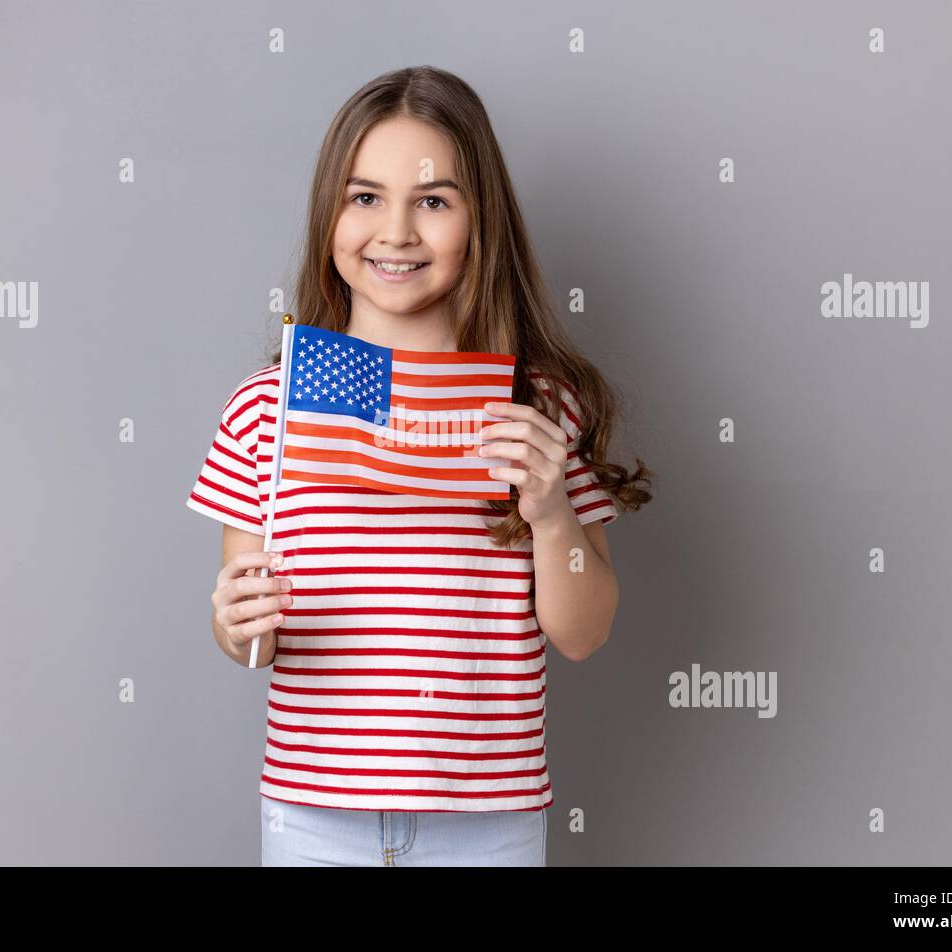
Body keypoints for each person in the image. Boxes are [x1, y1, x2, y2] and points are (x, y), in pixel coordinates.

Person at [186, 66, 653, 866]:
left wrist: (549, 511)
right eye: (364, 197)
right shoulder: (269, 409)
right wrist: (232, 621)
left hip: (488, 822)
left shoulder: (536, 408)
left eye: (433, 201)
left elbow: (585, 632)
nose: (395, 231)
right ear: (329, 214)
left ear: (481, 223)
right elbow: (253, 641)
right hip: (312, 814)